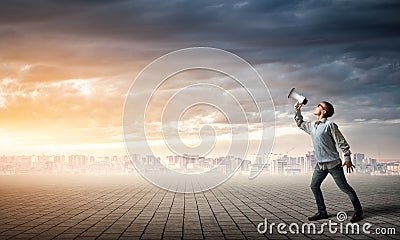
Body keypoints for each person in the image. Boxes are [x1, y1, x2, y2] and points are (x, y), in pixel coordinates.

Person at [294, 101, 363, 223]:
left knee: (345, 188)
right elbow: (300, 123)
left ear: (324, 111)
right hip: (320, 165)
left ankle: (358, 212)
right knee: (314, 186)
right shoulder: (312, 125)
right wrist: (298, 111)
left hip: (333, 164)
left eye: (319, 106)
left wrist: (347, 159)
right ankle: (322, 212)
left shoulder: (330, 125)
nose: (316, 106)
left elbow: (342, 143)